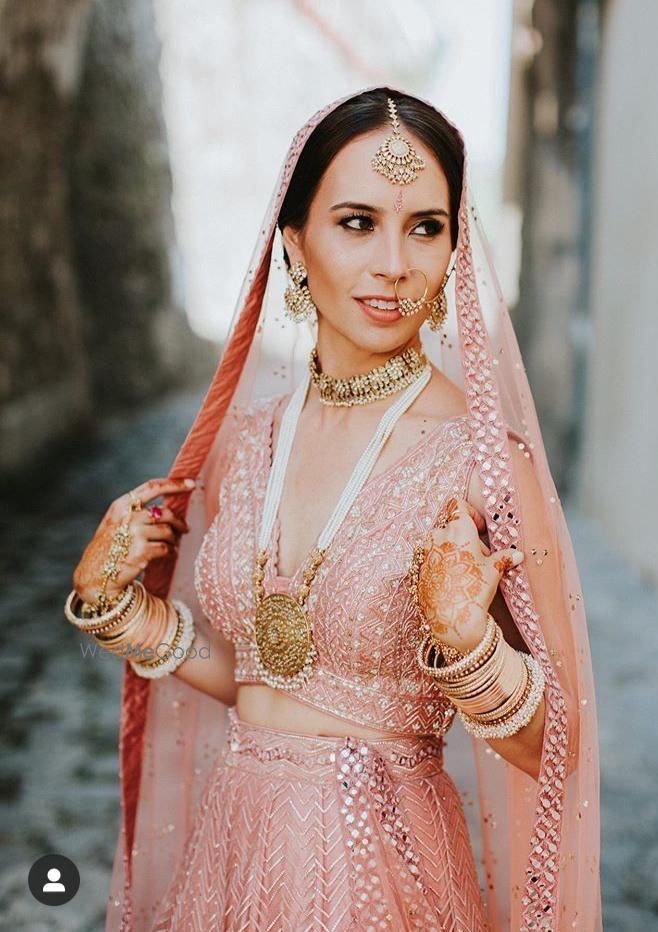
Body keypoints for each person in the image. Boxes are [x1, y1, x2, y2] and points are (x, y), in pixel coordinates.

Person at [67, 86, 602, 931]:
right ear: (294, 243)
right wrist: (122, 614)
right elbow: (266, 679)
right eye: (358, 222)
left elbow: (557, 752)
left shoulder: (483, 462)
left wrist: (470, 649)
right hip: (235, 855)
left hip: (383, 875)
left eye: (426, 226)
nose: (396, 262)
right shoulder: (249, 441)